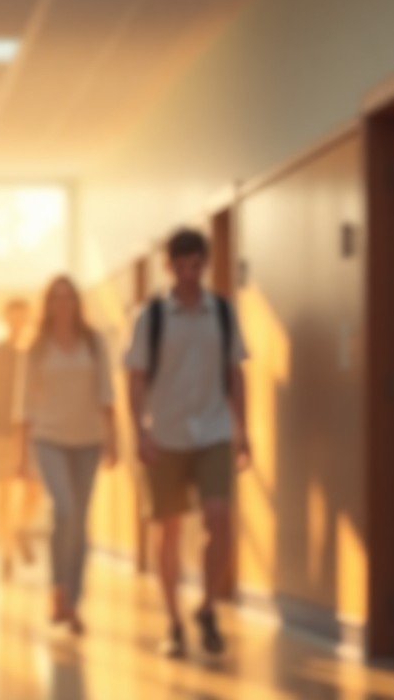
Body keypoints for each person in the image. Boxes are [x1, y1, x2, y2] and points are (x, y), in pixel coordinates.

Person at [125, 228, 250, 659]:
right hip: (166, 435)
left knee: (220, 520)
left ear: (204, 264)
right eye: (180, 266)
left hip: (214, 431)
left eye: (196, 265)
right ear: (168, 267)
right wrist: (139, 431)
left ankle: (208, 607)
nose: (189, 274)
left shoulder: (223, 313)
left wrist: (243, 430)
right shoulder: (152, 316)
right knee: (169, 529)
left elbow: (236, 373)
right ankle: (174, 622)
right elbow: (135, 377)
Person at [18, 276, 118, 636]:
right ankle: (57, 590)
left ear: (77, 303)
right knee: (64, 510)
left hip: (88, 439)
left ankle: (73, 602)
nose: (63, 304)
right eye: (56, 298)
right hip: (49, 438)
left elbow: (106, 392)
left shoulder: (93, 342)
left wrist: (113, 438)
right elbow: (24, 404)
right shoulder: (37, 346)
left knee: (80, 520)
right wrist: (21, 454)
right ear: (47, 305)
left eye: (69, 297)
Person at [0, 298, 42, 580]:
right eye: (13, 316)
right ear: (5, 319)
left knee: (35, 489)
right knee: (2, 493)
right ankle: (6, 554)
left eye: (22, 317)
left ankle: (20, 528)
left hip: (33, 430)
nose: (17, 322)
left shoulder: (38, 351)